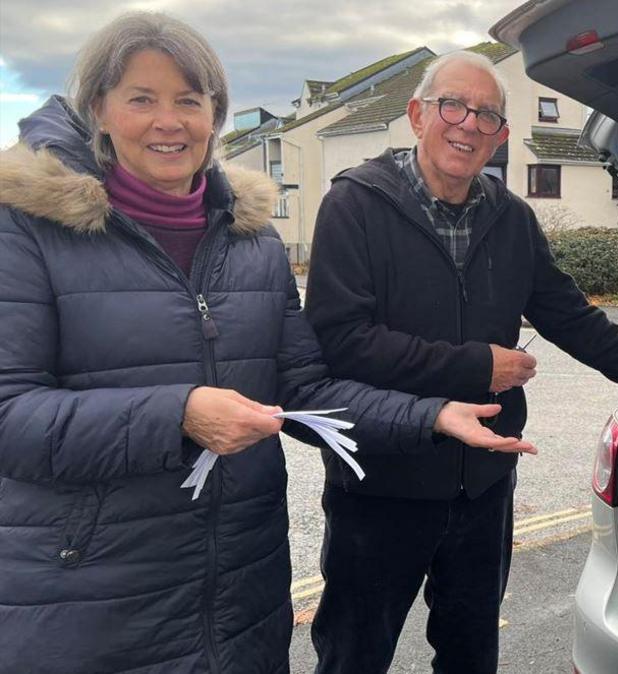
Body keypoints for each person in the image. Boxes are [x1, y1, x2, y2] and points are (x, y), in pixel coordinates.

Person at [0, 14, 533, 674]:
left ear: (215, 116)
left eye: (190, 101)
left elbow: (307, 390)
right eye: (142, 98)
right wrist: (179, 415)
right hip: (90, 599)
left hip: (239, 595)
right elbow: (10, 417)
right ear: (98, 110)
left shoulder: (251, 245)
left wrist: (430, 416)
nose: (169, 121)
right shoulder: (25, 231)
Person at [304, 50, 618, 673]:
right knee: (354, 653)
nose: (468, 124)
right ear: (416, 116)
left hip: (483, 481)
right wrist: (473, 366)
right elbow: (342, 342)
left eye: (486, 114)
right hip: (382, 481)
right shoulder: (354, 206)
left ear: (502, 135)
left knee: (470, 652)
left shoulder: (510, 217)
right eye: (452, 107)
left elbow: (570, 316)